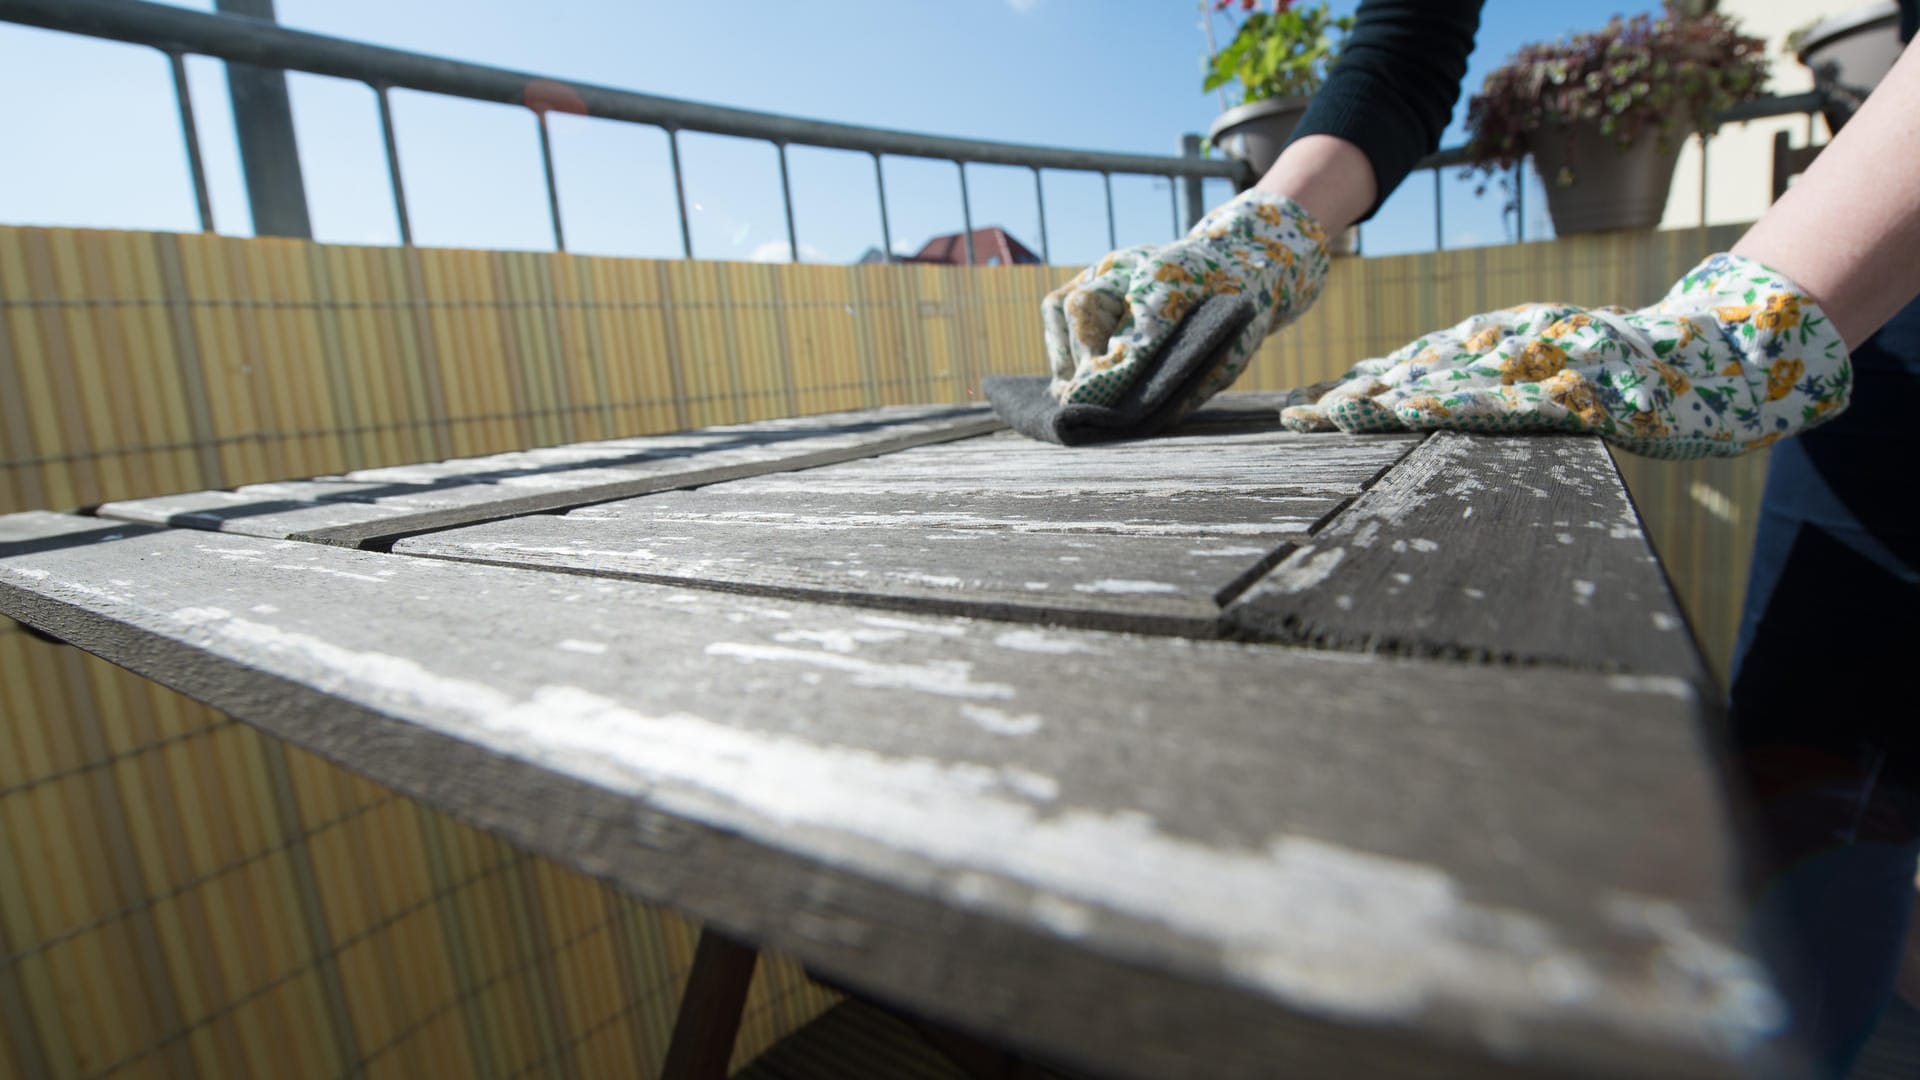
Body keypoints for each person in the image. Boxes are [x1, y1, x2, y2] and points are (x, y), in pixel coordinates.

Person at [1040, 2, 1920, 1074]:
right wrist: (1261, 236)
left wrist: (1739, 330)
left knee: (1854, 783)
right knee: (1808, 761)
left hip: (1878, 266)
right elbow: (1408, 41)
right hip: (1884, 313)